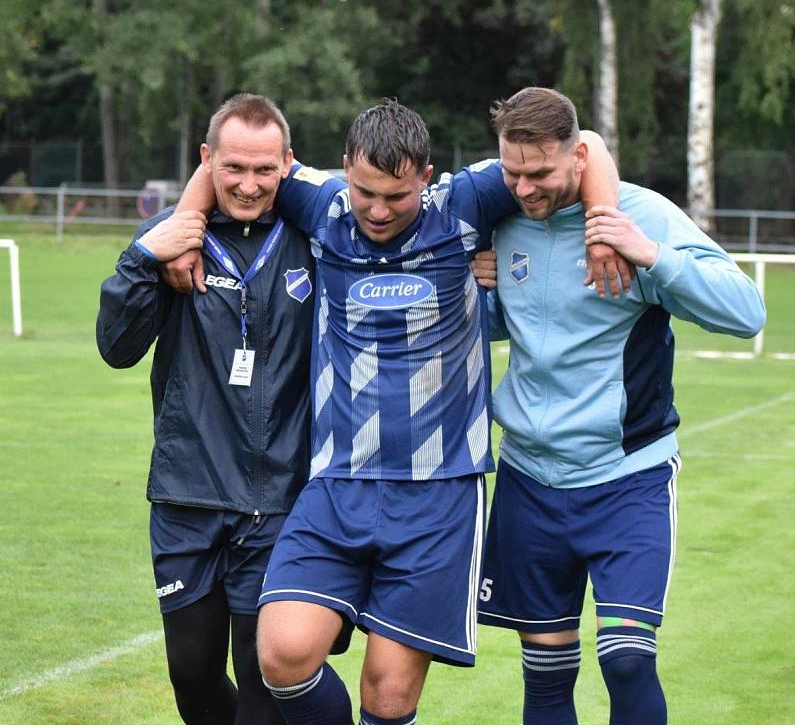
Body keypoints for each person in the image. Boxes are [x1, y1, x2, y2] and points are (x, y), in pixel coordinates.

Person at [171, 97, 623, 725]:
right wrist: (185, 229)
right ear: (345, 170)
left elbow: (589, 144)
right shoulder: (321, 204)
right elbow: (225, 161)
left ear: (427, 178)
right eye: (365, 192)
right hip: (336, 485)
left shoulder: (462, 205)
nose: (379, 210)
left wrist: (602, 223)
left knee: (387, 696)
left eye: (397, 195)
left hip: (438, 496)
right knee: (282, 657)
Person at [476, 87, 767, 725]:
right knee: (545, 672)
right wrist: (478, 290)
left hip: (626, 476)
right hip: (529, 478)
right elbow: (517, 324)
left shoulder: (642, 214)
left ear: (580, 157)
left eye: (540, 172)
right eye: (512, 171)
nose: (524, 188)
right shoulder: (499, 215)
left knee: (628, 658)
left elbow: (747, 313)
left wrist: (652, 256)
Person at [96, 94, 315, 725]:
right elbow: (116, 349)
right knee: (191, 672)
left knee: (260, 678)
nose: (249, 185)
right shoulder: (168, 238)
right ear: (206, 160)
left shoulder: (312, 238)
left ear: (288, 165)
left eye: (265, 170)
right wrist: (143, 261)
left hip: (279, 500)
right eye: (233, 168)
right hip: (187, 494)